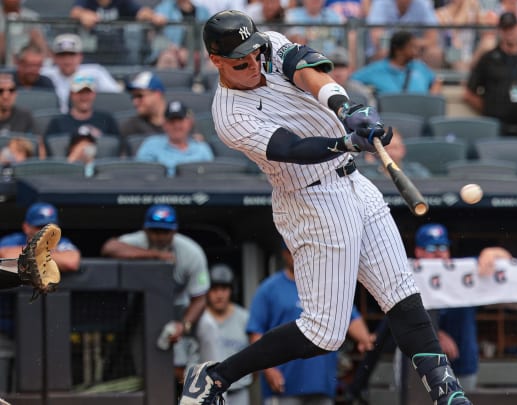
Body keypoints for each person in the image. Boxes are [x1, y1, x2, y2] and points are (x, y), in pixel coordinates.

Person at [178, 10, 473, 405]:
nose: (253, 64)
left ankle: (447, 393)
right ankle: (216, 376)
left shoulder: (269, 46)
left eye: (255, 54)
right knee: (324, 333)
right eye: (240, 62)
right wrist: (347, 142)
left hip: (353, 184)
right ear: (216, 61)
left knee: (402, 295)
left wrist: (348, 111)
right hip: (310, 200)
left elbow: (308, 72)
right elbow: (292, 149)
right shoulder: (229, 116)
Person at [247, 243, 375, 405]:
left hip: (322, 384)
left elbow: (351, 319)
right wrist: (268, 369)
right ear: (285, 254)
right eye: (292, 252)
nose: (297, 256)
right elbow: (256, 333)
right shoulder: (269, 289)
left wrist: (366, 340)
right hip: (284, 385)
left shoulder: (326, 287)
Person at [100, 204, 213, 386]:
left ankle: (215, 381)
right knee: (147, 363)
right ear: (146, 229)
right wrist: (155, 256)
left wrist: (184, 325)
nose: (160, 237)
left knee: (208, 326)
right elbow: (109, 247)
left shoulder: (191, 252)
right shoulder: (140, 240)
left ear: (174, 231)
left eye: (165, 232)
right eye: (155, 231)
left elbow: (200, 299)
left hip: (181, 309)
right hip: (145, 311)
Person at [413, 224, 479, 390]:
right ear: (418, 252)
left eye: (443, 247)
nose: (438, 253)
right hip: (420, 367)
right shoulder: (409, 276)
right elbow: (398, 319)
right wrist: (436, 334)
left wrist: (492, 253)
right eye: (431, 247)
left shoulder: (461, 274)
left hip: (462, 363)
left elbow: (491, 263)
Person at [463, 12, 517, 138]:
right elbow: (469, 93)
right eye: (505, 28)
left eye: (512, 28)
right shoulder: (488, 59)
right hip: (497, 128)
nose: (509, 32)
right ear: (499, 30)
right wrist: (490, 109)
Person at [199, 264, 251, 405]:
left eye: (224, 289)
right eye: (214, 289)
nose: (219, 294)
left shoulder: (244, 318)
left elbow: (254, 357)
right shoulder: (199, 319)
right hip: (205, 394)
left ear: (231, 290)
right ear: (207, 292)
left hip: (238, 391)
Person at [41, 33, 122, 114]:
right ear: (54, 57)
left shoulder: (95, 72)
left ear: (80, 56)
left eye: (71, 55)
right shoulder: (45, 74)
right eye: (62, 55)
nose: (67, 60)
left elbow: (116, 96)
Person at [44, 74, 120, 158]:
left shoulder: (107, 119)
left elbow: (118, 151)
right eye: (79, 93)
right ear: (71, 94)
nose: (84, 97)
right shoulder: (57, 122)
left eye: (87, 93)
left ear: (94, 94)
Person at [351, 30, 443, 95]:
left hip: (420, 117)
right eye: (412, 46)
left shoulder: (419, 66)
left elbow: (436, 81)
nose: (416, 50)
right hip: (390, 119)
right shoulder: (377, 68)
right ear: (398, 50)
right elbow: (352, 80)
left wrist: (432, 97)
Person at [135, 100, 214, 176]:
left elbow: (210, 179)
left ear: (189, 123)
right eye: (172, 121)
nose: (176, 126)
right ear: (164, 124)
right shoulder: (151, 145)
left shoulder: (202, 149)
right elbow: (143, 176)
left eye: (180, 121)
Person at [0, 202, 81, 273]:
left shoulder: (62, 242)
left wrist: (29, 255)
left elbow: (71, 262)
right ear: (26, 227)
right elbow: (5, 257)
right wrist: (45, 251)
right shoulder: (13, 240)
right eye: (40, 227)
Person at [364, 0, 442, 67]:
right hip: (390, 49)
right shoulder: (381, 3)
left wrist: (409, 45)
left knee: (434, 53)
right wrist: (401, 46)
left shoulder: (423, 3)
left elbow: (432, 40)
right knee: (384, 51)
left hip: (416, 49)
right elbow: (377, 38)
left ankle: (429, 81)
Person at [120, 71, 168, 145]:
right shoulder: (130, 127)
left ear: (157, 94)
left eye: (140, 96)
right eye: (133, 97)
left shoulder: (179, 123)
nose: (135, 102)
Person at [359, 129, 430, 179]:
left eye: (395, 148)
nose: (391, 153)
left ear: (403, 150)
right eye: (386, 149)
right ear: (378, 152)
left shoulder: (417, 172)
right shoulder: (369, 176)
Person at [0, 0, 49, 65]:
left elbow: (40, 40)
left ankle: (44, 63)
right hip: (3, 55)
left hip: (27, 52)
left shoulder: (31, 16)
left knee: (36, 36)